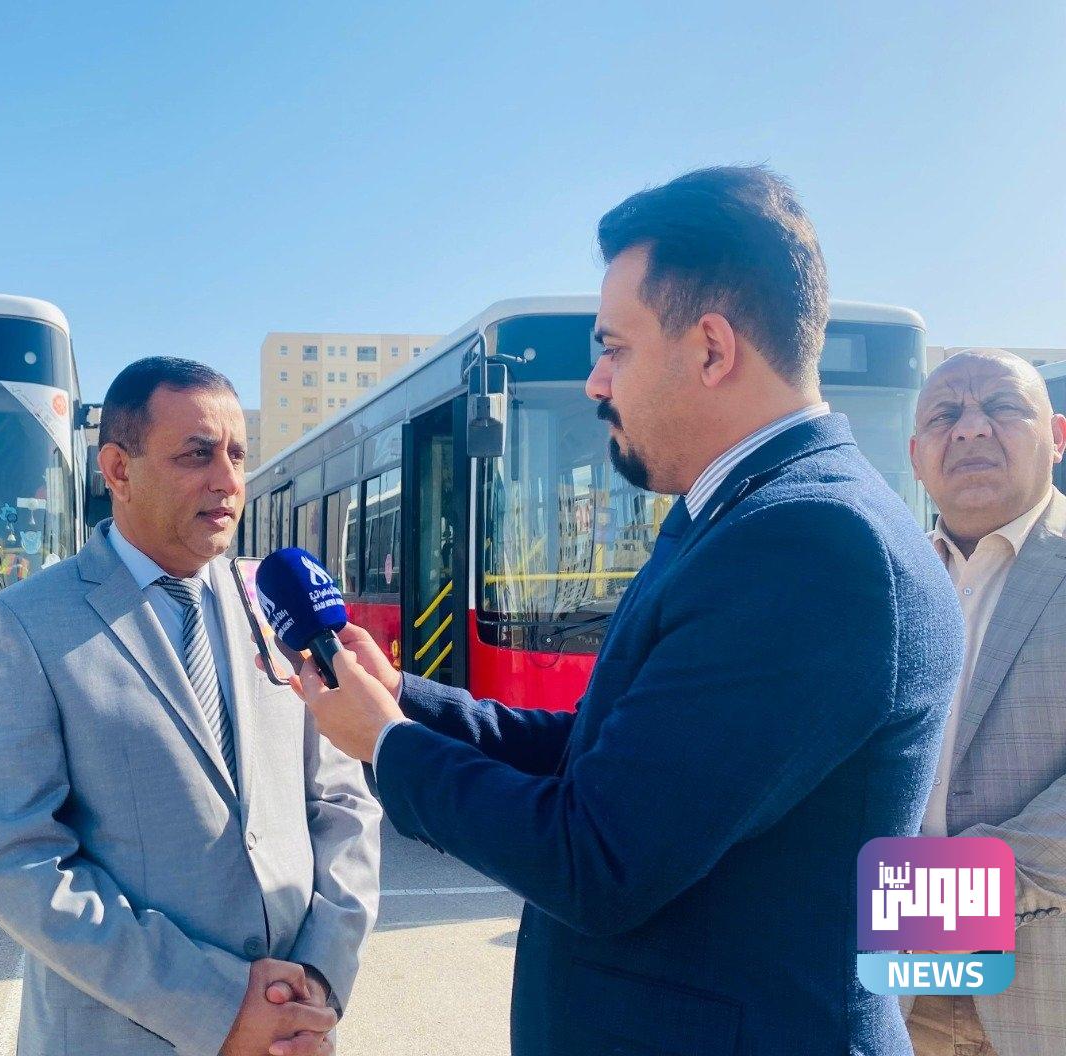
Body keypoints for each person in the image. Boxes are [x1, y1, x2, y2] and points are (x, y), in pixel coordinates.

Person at [291, 166, 964, 1055]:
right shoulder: (745, 515)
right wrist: (404, 699)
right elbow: (605, 755)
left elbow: (597, 858)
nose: (596, 382)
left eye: (613, 348)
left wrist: (386, 743)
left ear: (712, 349)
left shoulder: (809, 542)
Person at [0, 357, 381, 1056]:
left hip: (294, 1033)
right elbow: (16, 862)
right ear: (117, 470)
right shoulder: (24, 625)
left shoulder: (278, 604)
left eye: (237, 455)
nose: (228, 480)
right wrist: (217, 1006)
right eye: (197, 455)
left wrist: (318, 979)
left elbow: (342, 801)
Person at [905, 349, 1066, 1056]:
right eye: (945, 414)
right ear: (916, 457)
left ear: (1057, 437)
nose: (970, 428)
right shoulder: (889, 581)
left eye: (1002, 406)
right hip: (900, 994)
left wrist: (934, 898)